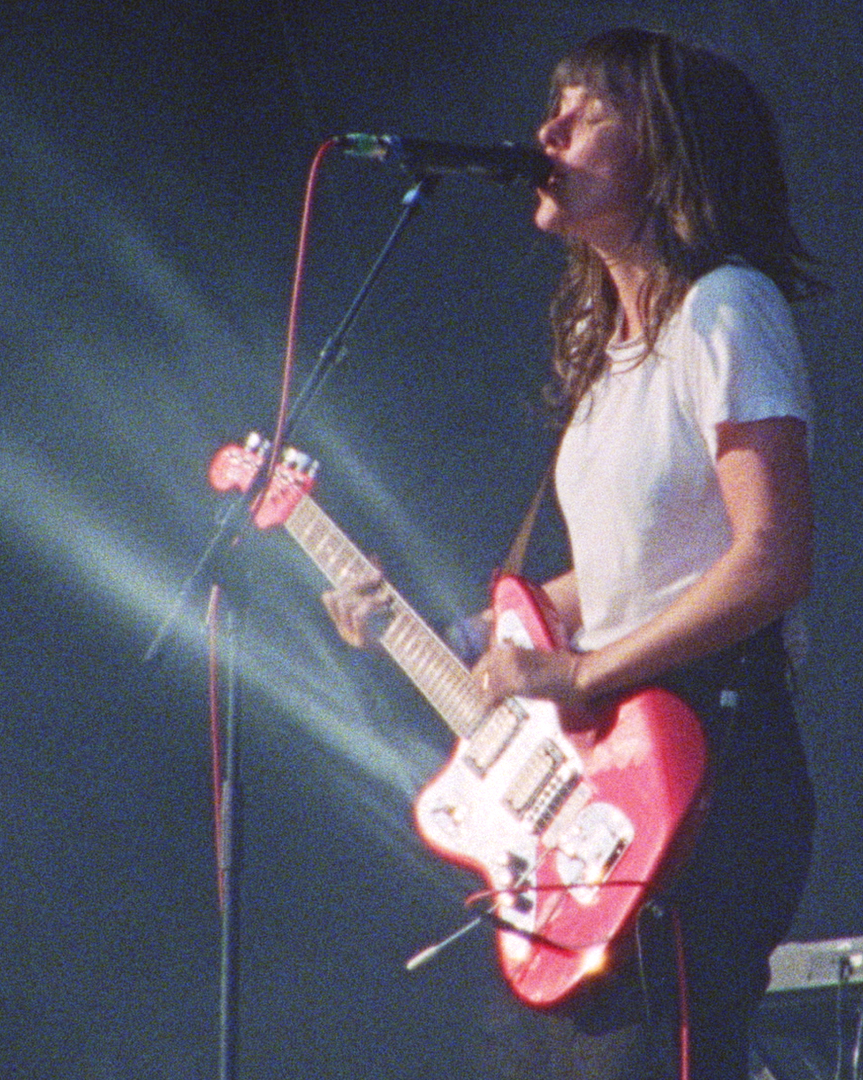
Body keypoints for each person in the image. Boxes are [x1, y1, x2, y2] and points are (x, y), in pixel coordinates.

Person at [324, 27, 821, 1080]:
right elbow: (633, 562)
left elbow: (770, 557)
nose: (546, 129)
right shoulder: (611, 366)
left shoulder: (727, 308)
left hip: (705, 754)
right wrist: (455, 630)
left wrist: (582, 672)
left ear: (667, 144)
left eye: (587, 108)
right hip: (614, 777)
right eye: (553, 105)